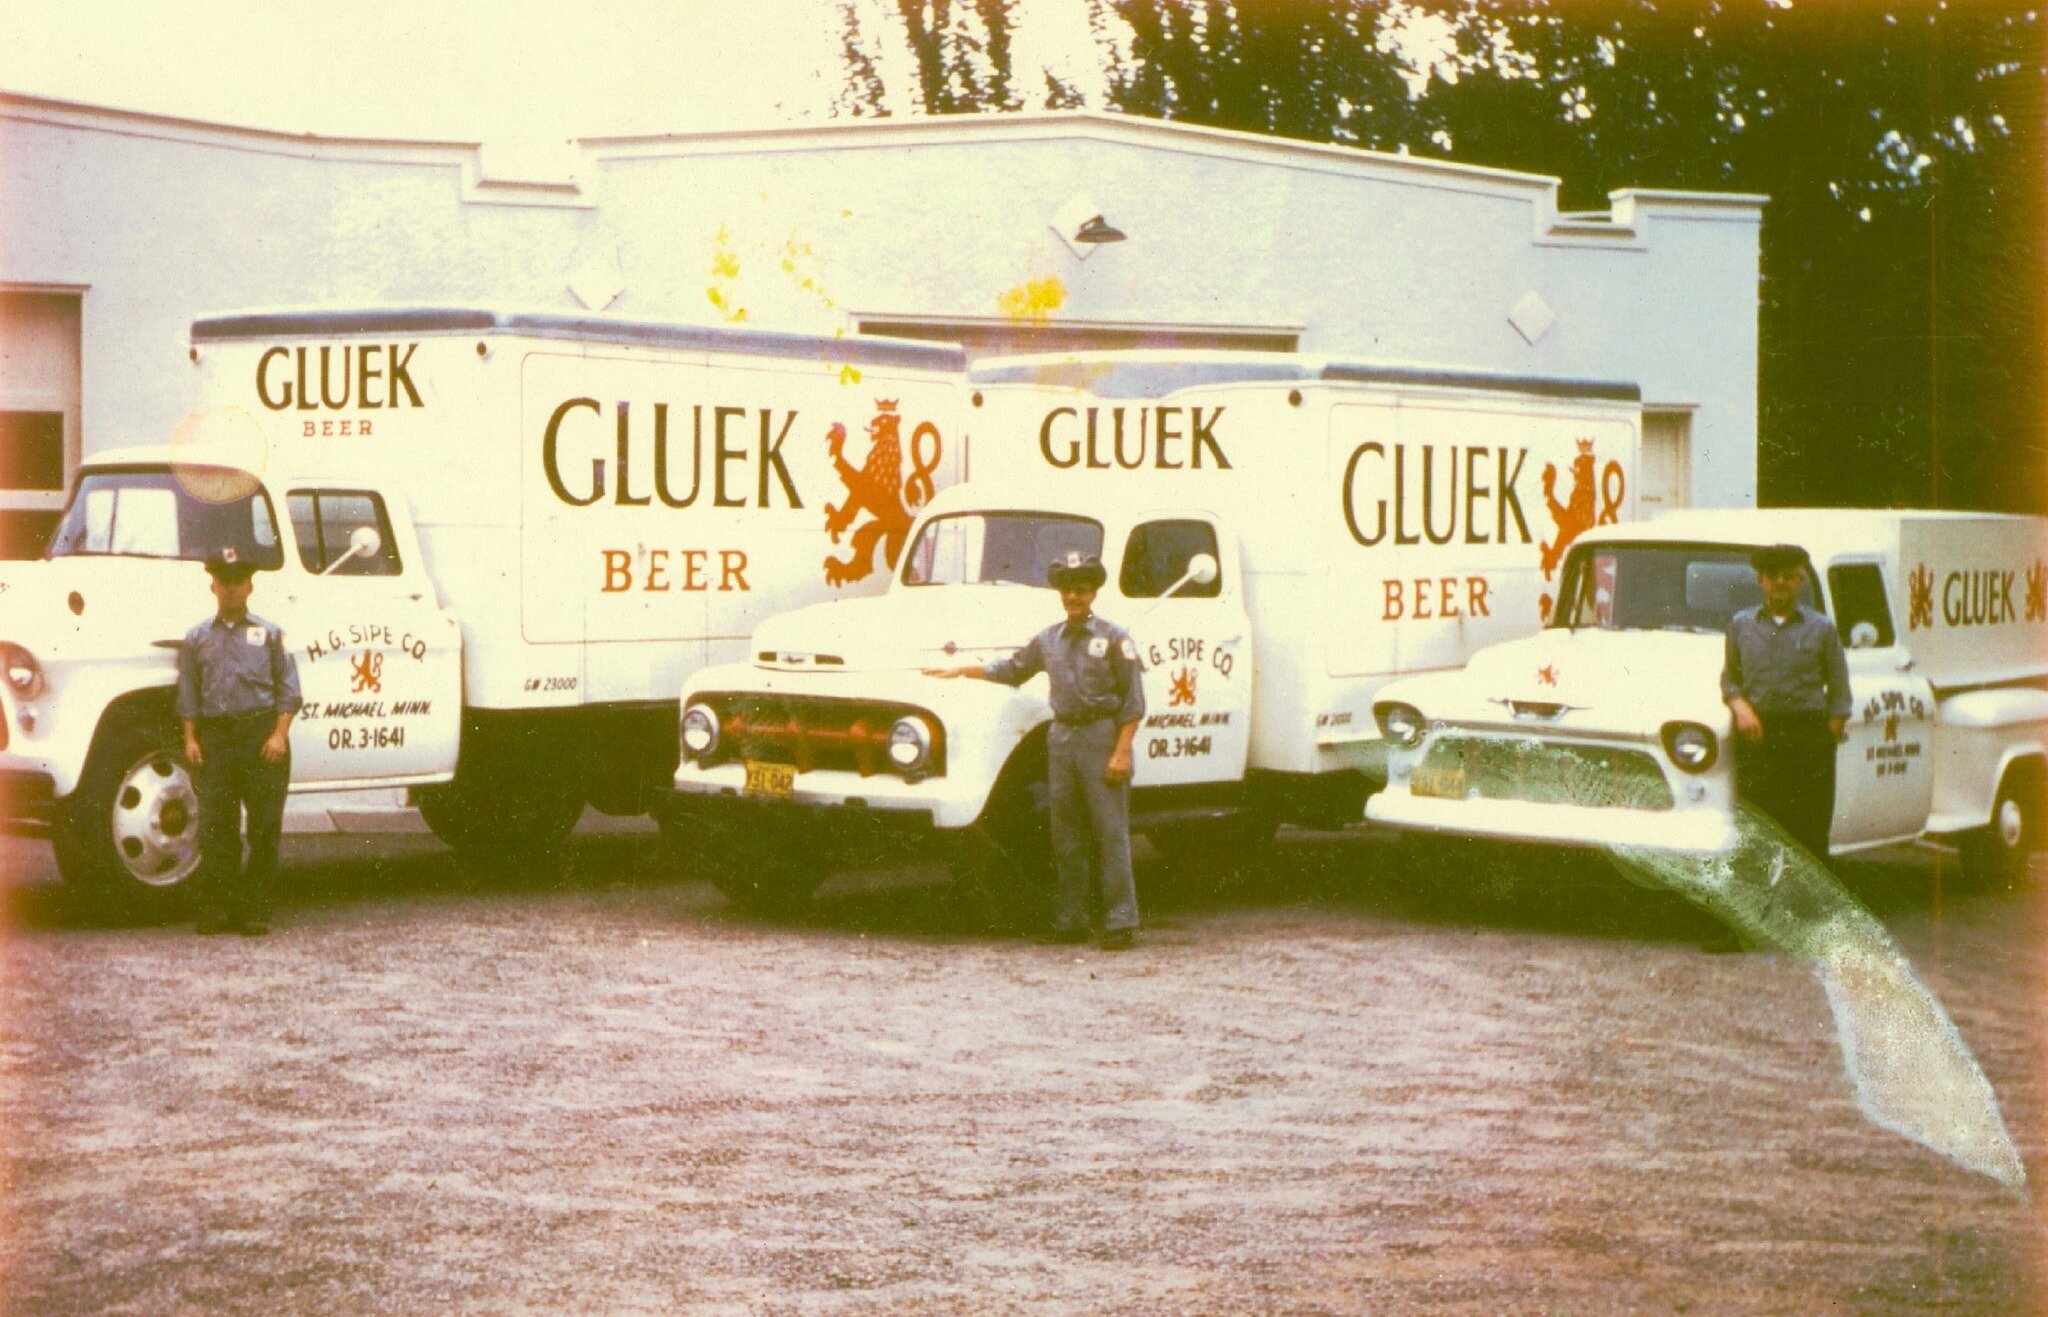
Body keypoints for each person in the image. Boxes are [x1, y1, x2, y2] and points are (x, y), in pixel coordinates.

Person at [927, 551, 1146, 949]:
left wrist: (1121, 751)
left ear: (1094, 592)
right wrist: (961, 669)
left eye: (1081, 591)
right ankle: (1071, 919)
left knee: (1110, 834)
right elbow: (1012, 668)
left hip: (1100, 737)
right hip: (1062, 739)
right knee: (1066, 834)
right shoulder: (1049, 640)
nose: (1074, 598)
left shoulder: (1115, 639)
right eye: (1067, 591)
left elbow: (1133, 703)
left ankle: (1120, 920)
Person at [177, 547, 302, 935]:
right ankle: (218, 906)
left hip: (261, 736)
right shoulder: (197, 638)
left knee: (264, 825)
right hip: (216, 738)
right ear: (213, 586)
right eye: (223, 582)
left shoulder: (269, 634)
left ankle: (255, 908)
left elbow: (289, 689)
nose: (230, 590)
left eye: (238, 582)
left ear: (249, 586)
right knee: (217, 825)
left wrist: (280, 734)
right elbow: (188, 693)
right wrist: (192, 739)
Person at [1721, 543, 1852, 861]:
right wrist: (1741, 707)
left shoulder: (1821, 628)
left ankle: (1807, 907)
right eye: (1772, 576)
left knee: (1808, 825)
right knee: (1757, 823)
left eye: (1789, 577)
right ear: (1760, 582)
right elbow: (1730, 678)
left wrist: (1826, 737)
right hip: (1758, 734)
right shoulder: (1741, 625)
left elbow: (1839, 690)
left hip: (1806, 735)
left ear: (1800, 581)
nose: (1780, 583)